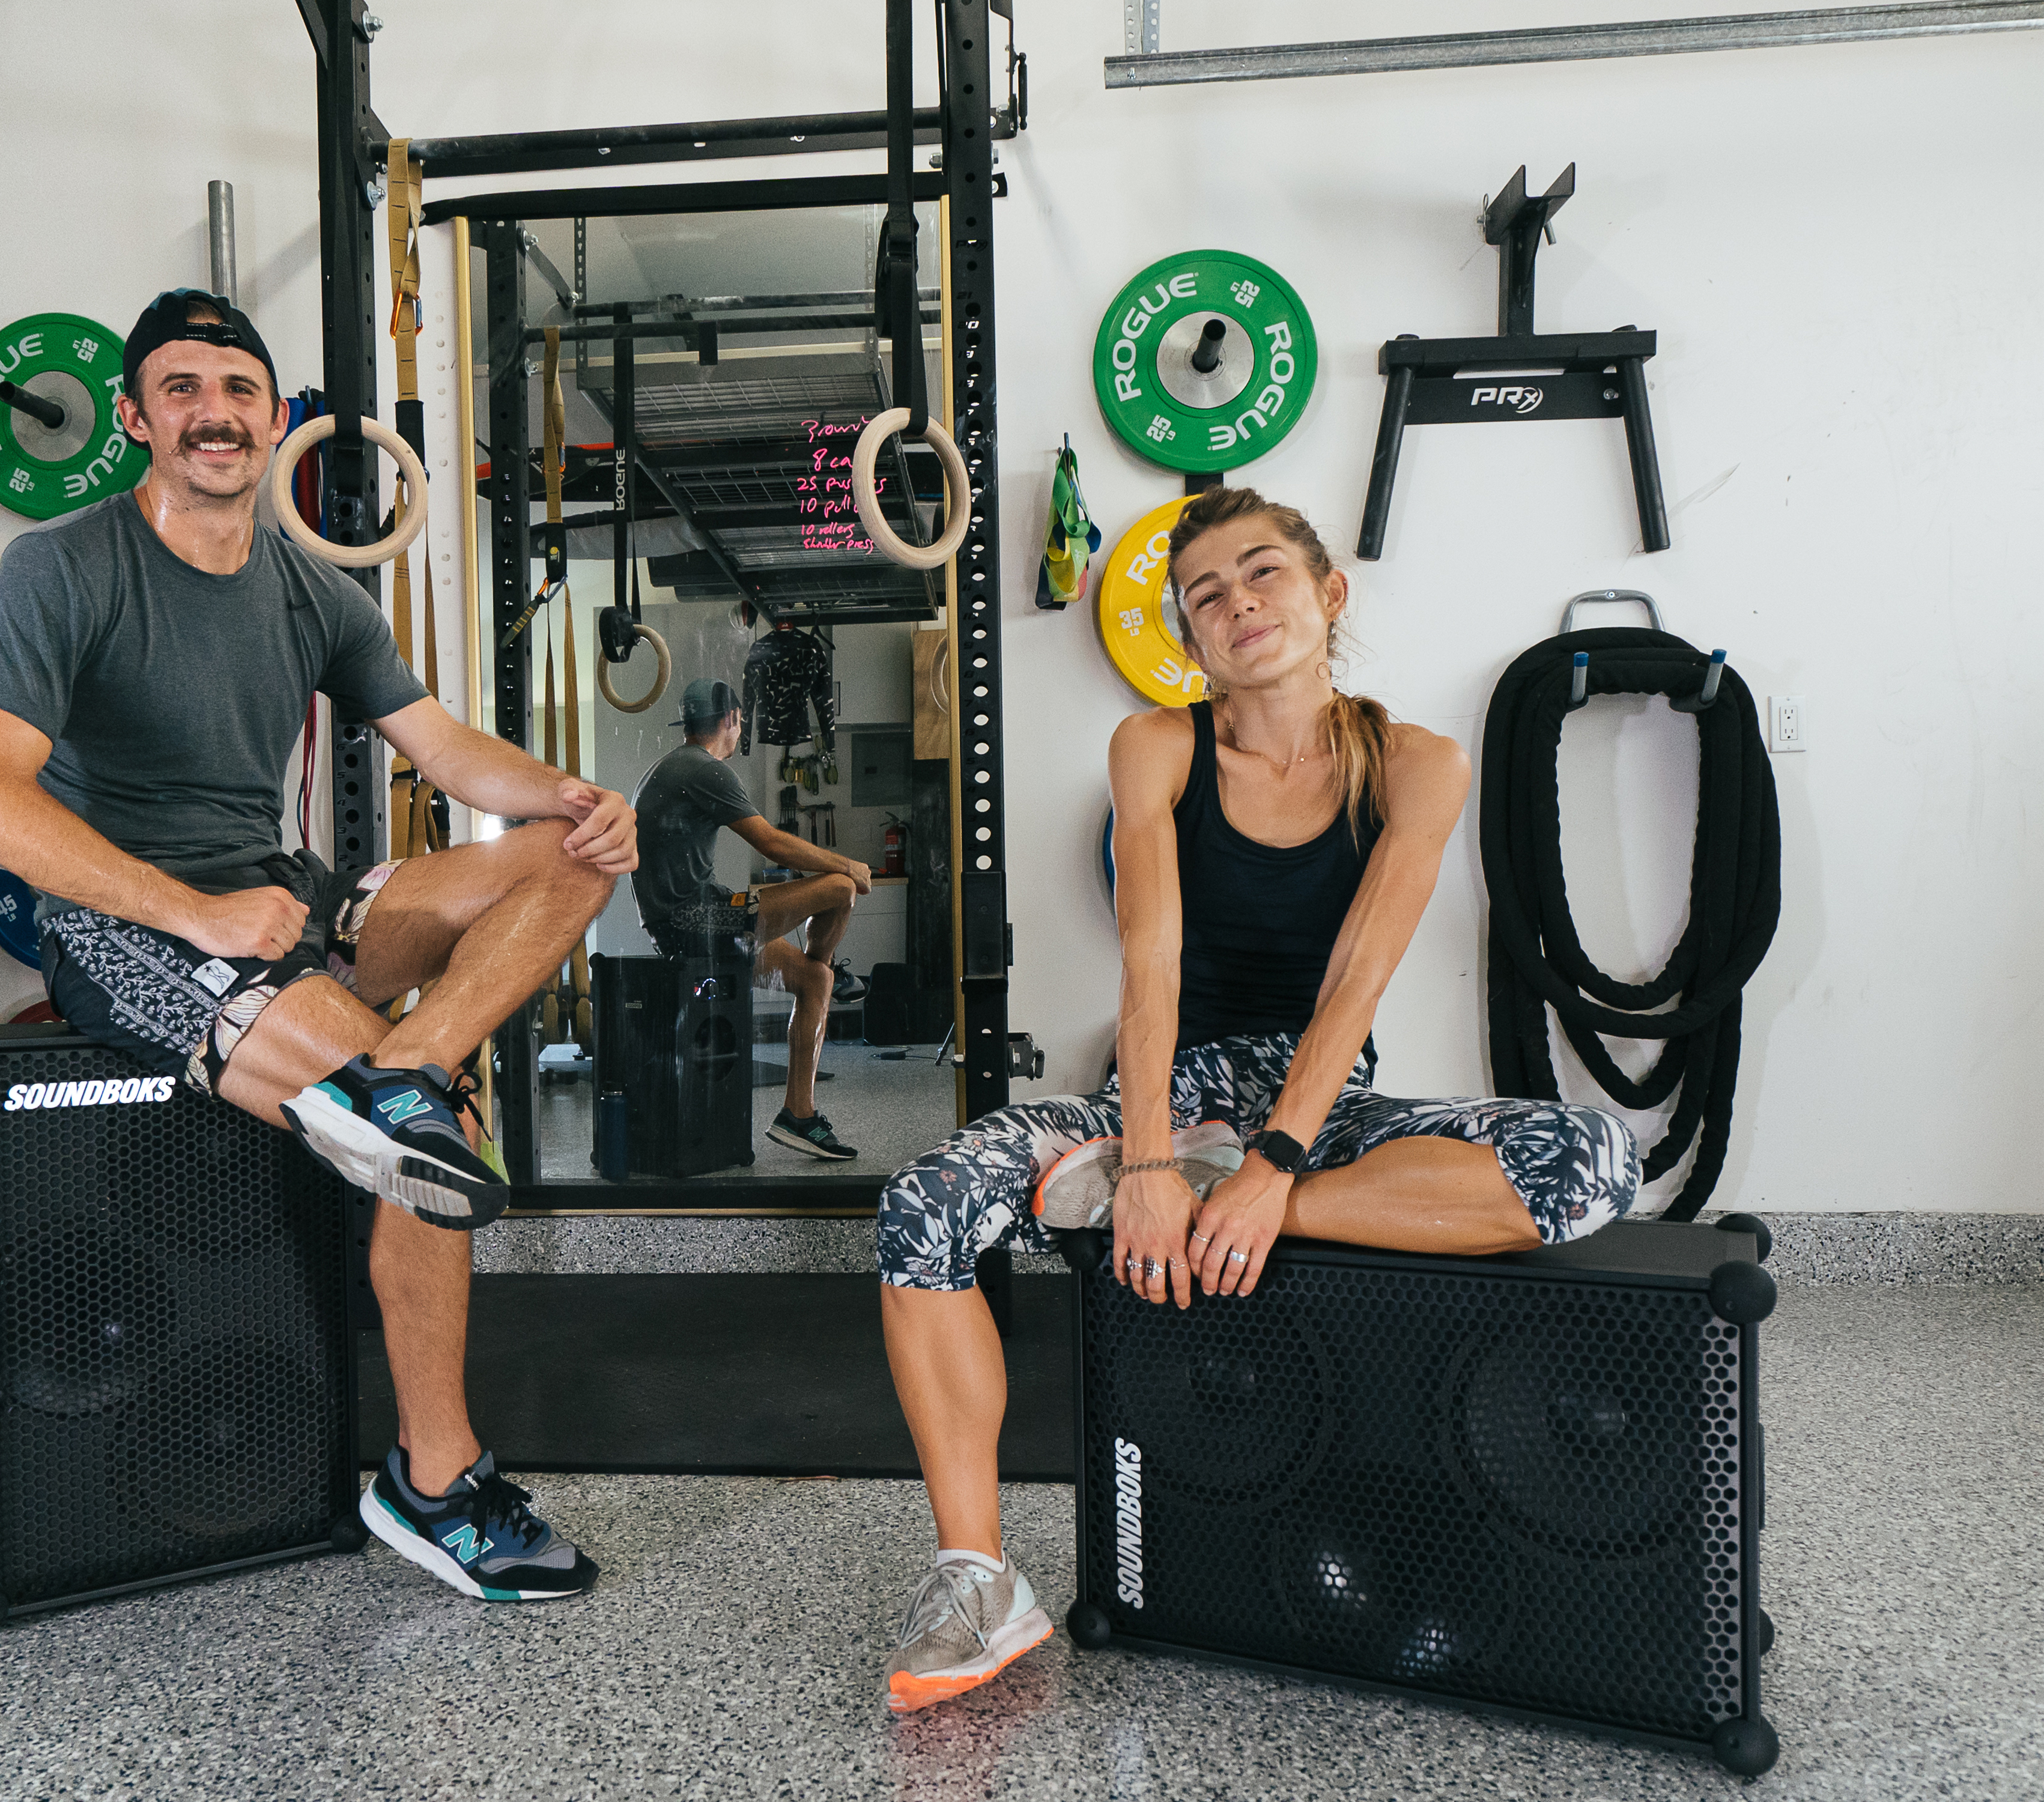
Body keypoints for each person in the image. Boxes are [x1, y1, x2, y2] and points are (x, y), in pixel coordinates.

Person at [869, 485, 1643, 1713]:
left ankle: (1273, 1205)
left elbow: (1357, 974)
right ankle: (978, 1581)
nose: (1237, 606)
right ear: (1187, 635)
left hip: (1318, 1105)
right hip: (1163, 1095)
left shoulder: (1415, 763)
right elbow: (1150, 958)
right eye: (1205, 595)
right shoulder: (1157, 747)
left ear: (1327, 594)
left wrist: (1273, 1173)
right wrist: (1142, 1161)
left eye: (1262, 573)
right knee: (922, 1205)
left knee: (1591, 1161)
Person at [0, 289, 636, 1604]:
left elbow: (441, 745)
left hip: (289, 903)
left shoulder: (310, 591)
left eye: (238, 390)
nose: (215, 412)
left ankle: (404, 1072)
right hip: (133, 926)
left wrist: (578, 797)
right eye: (184, 390)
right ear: (142, 420)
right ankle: (437, 1484)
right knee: (424, 1156)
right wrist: (194, 913)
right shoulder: (61, 566)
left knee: (561, 865)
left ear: (276, 419)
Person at [632, 678, 873, 1160]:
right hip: (696, 922)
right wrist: (848, 864)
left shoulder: (680, 764)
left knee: (813, 982)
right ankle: (828, 962)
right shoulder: (703, 768)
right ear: (731, 720)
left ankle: (798, 1117)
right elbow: (772, 843)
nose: (740, 730)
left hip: (697, 916)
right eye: (741, 722)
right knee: (841, 888)